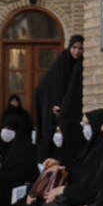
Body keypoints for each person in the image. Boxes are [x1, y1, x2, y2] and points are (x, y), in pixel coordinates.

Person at [33, 35, 83, 163]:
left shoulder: (80, 65)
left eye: (80, 48)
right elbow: (50, 87)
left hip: (69, 110)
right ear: (69, 47)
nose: (76, 51)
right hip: (57, 110)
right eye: (74, 48)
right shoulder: (62, 61)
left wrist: (65, 108)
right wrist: (57, 105)